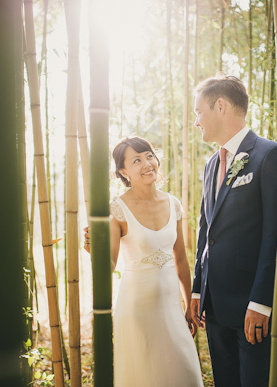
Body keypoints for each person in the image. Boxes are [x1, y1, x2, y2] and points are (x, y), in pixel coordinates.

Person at [190, 74, 277, 387]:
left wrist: (262, 302)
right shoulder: (211, 164)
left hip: (252, 306)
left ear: (219, 106)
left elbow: (276, 234)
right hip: (214, 303)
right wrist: (198, 289)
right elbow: (205, 231)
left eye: (199, 112)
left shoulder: (270, 156)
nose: (196, 121)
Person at [84, 137, 203, 387]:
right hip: (137, 310)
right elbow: (110, 264)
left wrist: (190, 303)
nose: (147, 163)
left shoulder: (173, 203)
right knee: (145, 376)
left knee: (185, 374)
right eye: (136, 160)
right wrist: (94, 248)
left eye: (149, 155)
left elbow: (181, 259)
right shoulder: (118, 209)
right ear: (123, 172)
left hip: (171, 306)